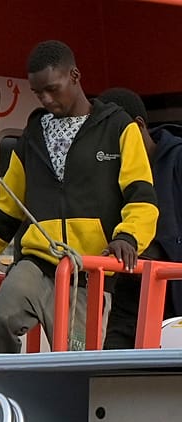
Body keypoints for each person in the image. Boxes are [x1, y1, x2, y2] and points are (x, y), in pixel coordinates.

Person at [0, 40, 158, 353]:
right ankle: (10, 394)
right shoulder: (32, 136)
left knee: (75, 359)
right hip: (37, 261)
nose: (47, 99)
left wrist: (128, 238)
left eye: (53, 88)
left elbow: (142, 197)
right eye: (39, 93)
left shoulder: (119, 127)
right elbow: (6, 214)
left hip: (89, 270)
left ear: (75, 76)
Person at [96, 87, 182, 349]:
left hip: (173, 292)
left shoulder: (177, 160)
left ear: (139, 126)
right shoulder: (110, 172)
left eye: (117, 137)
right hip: (129, 289)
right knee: (111, 368)